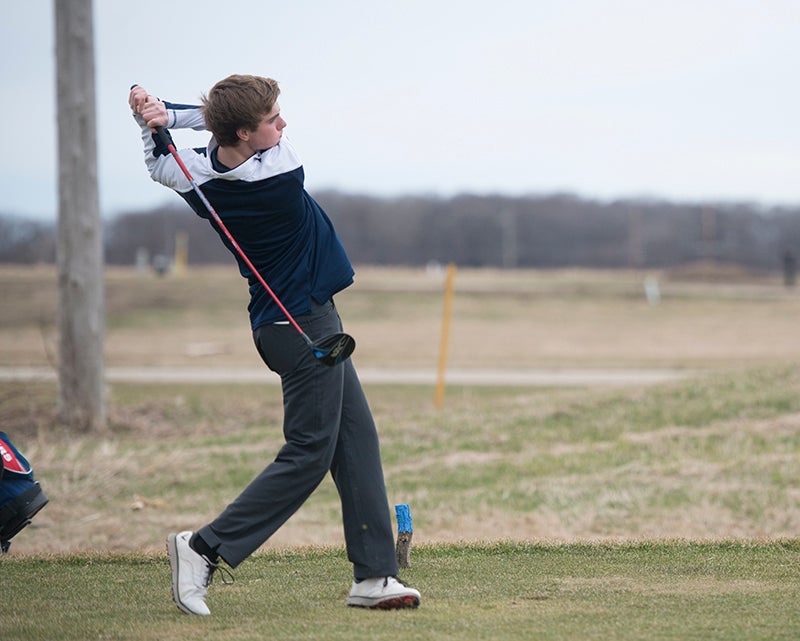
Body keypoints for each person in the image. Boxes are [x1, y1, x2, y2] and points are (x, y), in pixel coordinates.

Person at [128, 76, 420, 615]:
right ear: (246, 132)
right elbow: (205, 121)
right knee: (310, 451)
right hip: (303, 324)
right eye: (272, 120)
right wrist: (165, 114)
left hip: (290, 325)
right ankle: (203, 547)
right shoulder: (281, 171)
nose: (283, 126)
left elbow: (159, 162)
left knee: (355, 442)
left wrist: (153, 120)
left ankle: (375, 576)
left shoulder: (192, 176)